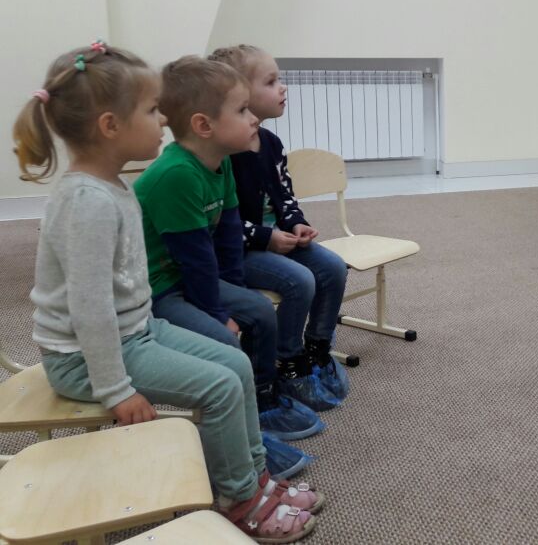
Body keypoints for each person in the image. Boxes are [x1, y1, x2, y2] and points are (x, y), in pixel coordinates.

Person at [15, 42, 322, 541]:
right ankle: (240, 499)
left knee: (236, 363)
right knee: (220, 386)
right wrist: (116, 390)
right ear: (110, 126)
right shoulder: (87, 203)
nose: (163, 120)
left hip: (134, 330)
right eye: (151, 110)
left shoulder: (111, 186)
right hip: (86, 358)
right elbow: (89, 308)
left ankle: (255, 478)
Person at [133, 56, 325, 478]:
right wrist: (219, 313)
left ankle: (262, 401)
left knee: (259, 310)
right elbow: (195, 258)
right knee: (223, 340)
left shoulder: (220, 164)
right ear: (204, 125)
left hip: (193, 275)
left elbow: (227, 236)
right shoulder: (177, 175)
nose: (252, 117)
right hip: (160, 288)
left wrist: (236, 293)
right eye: (241, 110)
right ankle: (241, 433)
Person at [209, 44, 349, 407]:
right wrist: (265, 237)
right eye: (271, 82)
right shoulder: (223, 153)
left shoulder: (271, 143)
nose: (283, 87)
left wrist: (296, 223)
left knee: (333, 267)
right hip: (237, 252)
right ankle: (288, 362)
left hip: (277, 240)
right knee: (299, 280)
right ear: (239, 94)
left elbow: (285, 195)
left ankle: (317, 349)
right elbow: (220, 222)